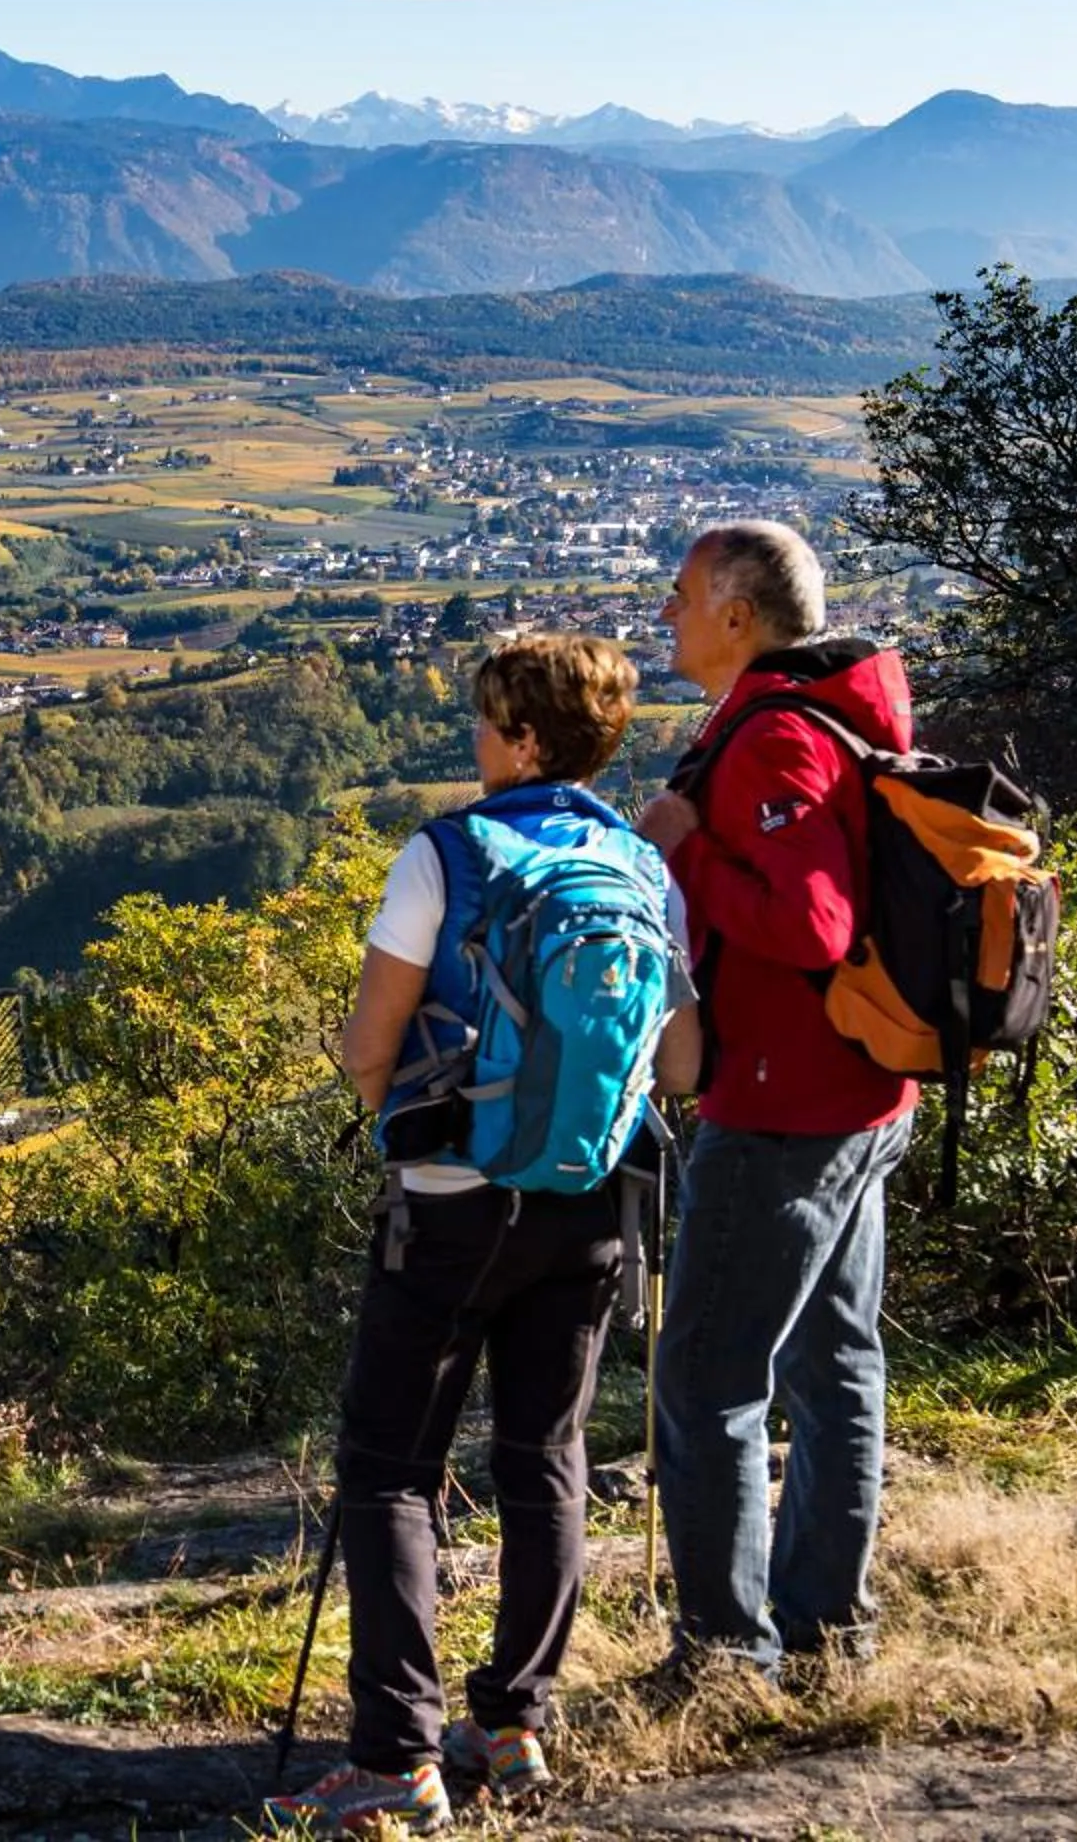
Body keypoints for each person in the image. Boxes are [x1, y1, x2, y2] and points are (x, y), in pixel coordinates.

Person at [271, 635, 697, 1835]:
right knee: (544, 1456)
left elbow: (368, 1046)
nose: (474, 736)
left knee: (391, 1465)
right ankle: (513, 1722)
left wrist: (406, 1121)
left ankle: (395, 1755)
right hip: (590, 1204)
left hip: (455, 1204)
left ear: (519, 737)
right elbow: (684, 1059)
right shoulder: (637, 865)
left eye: (485, 719)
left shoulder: (443, 855)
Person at [631, 520, 917, 1683]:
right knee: (835, 1361)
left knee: (707, 1378)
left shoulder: (774, 739)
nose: (668, 616)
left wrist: (683, 853)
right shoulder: (827, 713)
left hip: (785, 1106)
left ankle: (724, 1656)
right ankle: (823, 1627)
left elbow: (812, 925)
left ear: (739, 615)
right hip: (860, 1091)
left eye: (685, 596)